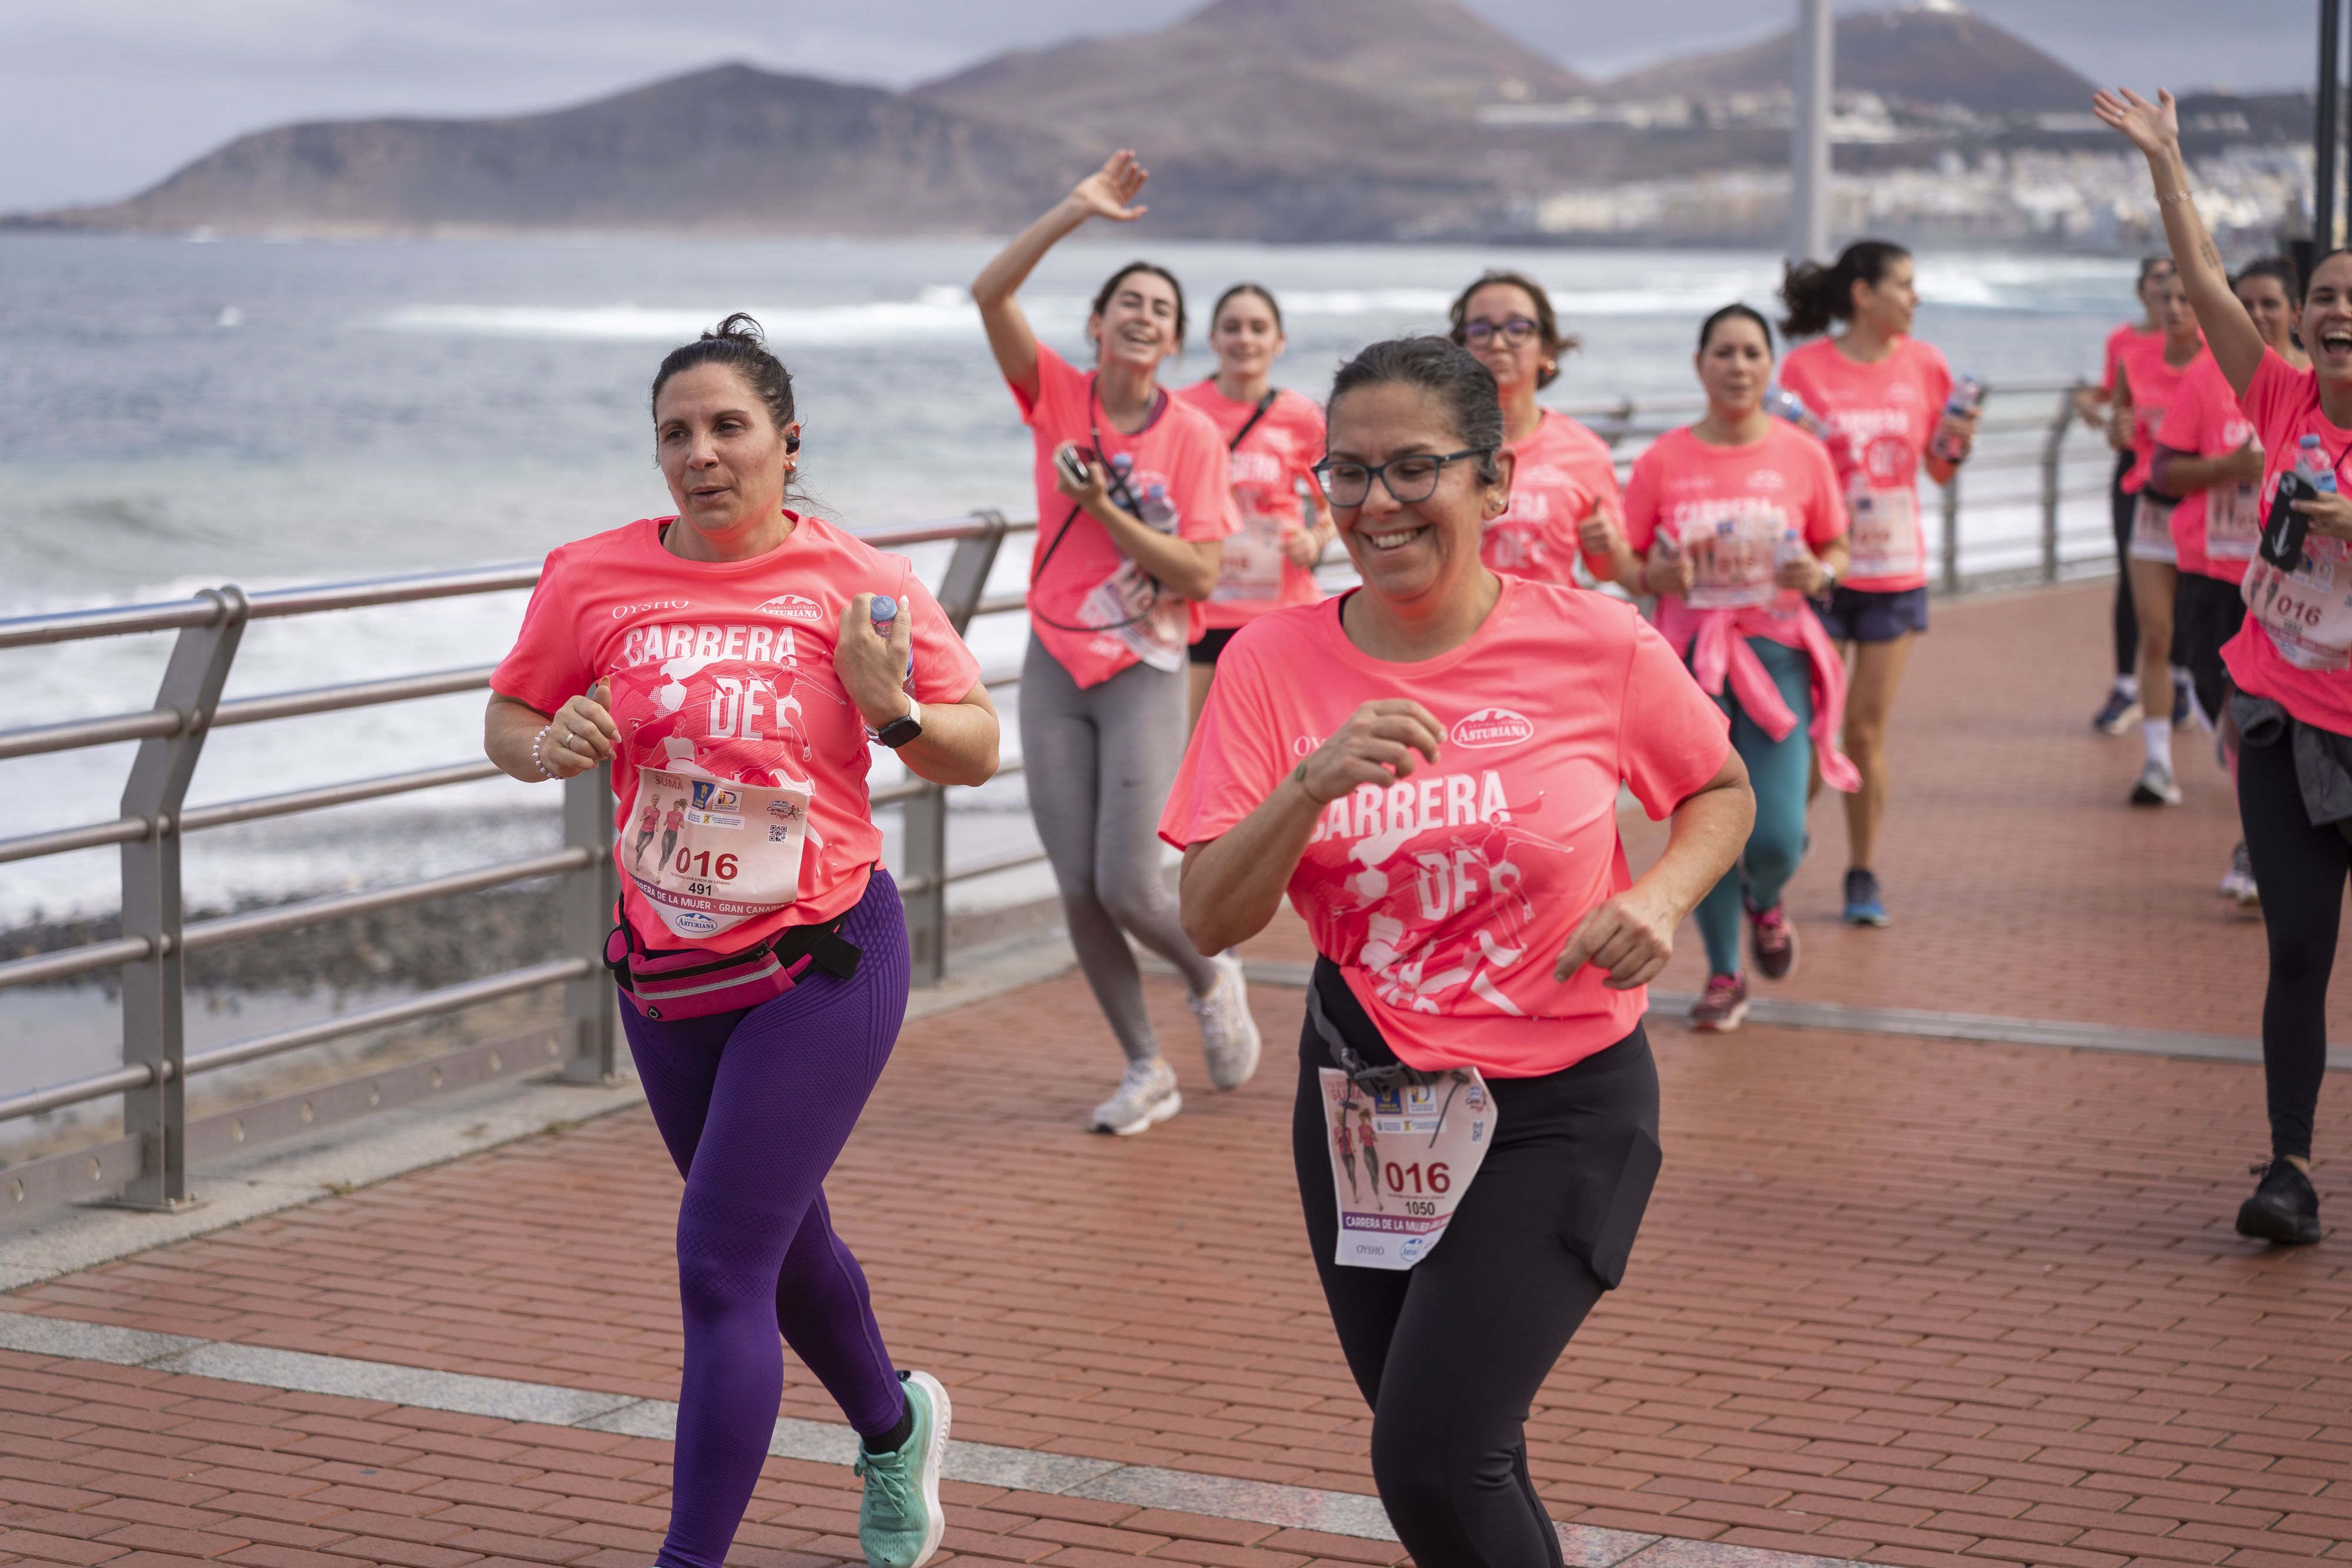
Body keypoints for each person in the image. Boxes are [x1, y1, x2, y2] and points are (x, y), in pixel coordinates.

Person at [1163, 335, 1753, 1568]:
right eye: (1349, 473)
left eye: (1413, 469)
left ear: (1494, 483)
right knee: (1450, 1455)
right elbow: (1208, 916)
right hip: (1365, 1106)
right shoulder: (1272, 660)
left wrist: (1657, 898)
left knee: (1431, 1456)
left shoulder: (1596, 642)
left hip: (1559, 1106)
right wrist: (1307, 786)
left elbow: (1717, 791)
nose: (1376, 504)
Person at [483, 315, 1002, 1567]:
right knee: (779, 1244)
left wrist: (895, 711)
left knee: (720, 1259)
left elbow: (977, 751)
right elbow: (508, 716)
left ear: (786, 441)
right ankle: (893, 1425)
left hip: (822, 961)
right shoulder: (590, 577)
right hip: (666, 974)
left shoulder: (858, 583)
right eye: (675, 432)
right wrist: (547, 744)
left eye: (728, 427)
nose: (701, 454)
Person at [2098, 85, 2350, 1244]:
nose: (2338, 309)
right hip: (2278, 719)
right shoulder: (2279, 393)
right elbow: (2199, 276)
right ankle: (2287, 1170)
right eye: (2323, 296)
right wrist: (2166, 163)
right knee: (2294, 946)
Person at [971, 149, 1261, 1135]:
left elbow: (1203, 577)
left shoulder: (1195, 439)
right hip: (1056, 659)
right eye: (1128, 303)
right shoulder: (1057, 392)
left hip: (1144, 665)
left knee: (1129, 881)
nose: (1145, 316)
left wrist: (1110, 511)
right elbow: (990, 290)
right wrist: (1077, 210)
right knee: (1077, 888)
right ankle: (1146, 1066)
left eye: (1161, 311)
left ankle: (1207, 968)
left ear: (1174, 345)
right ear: (1098, 326)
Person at [1595, 305, 1856, 1032]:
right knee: (1704, 826)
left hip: (1778, 665)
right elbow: (1629, 564)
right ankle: (1723, 972)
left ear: (1770, 367)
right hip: (1688, 669)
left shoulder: (1801, 454)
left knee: (1775, 837)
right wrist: (1659, 573)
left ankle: (1765, 899)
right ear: (1699, 365)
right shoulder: (1662, 460)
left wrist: (1817, 571)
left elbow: (1838, 548)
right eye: (1723, 353)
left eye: (1751, 353)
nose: (1737, 366)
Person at [1775, 240, 1978, 926]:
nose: (1914, 298)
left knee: (1862, 733)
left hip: (1894, 575)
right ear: (1863, 294)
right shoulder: (1804, 369)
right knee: (1810, 731)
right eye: (1905, 285)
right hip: (1821, 572)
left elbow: (1941, 469)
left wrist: (1958, 440)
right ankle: (1778, 849)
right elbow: (1782, 470)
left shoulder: (1926, 365)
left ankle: (1861, 873)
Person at [2153, 258, 2306, 905]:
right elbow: (2163, 473)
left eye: (2269, 303)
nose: (2255, 316)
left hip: (2296, 588)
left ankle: (2265, 843)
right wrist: (2226, 466)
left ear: (2296, 311)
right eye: (2242, 303)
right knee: (2238, 721)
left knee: (2281, 721)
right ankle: (2259, 826)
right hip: (2215, 577)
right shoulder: (2204, 379)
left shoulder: (2317, 383)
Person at [1178, 282, 1335, 729]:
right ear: (1213, 340)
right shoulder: (1183, 411)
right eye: (1232, 327)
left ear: (1278, 342)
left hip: (1281, 610)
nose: (1244, 338)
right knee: (1198, 755)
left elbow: (1341, 501)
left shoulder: (1304, 417)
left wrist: (1316, 537)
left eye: (1258, 328)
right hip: (1202, 610)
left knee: (1280, 751)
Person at [1445, 269, 1627, 593]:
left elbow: (1606, 570)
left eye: (1518, 329)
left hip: (1551, 632)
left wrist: (1608, 546)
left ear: (1547, 350)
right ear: (1460, 348)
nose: (1498, 343)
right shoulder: (1433, 443)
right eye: (1480, 330)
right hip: (1455, 634)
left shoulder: (1585, 451)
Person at [2113, 266, 2210, 806]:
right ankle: (2157, 763)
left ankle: (2236, 758)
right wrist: (2117, 432)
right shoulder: (2134, 360)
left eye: (2186, 298)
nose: (2174, 307)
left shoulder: (2220, 367)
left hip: (2208, 512)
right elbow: (2120, 429)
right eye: (2166, 297)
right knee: (2155, 633)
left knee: (2206, 645)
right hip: (2151, 510)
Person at [2082, 258, 2180, 734]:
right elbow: (2113, 405)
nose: (2169, 295)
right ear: (2143, 292)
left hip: (2190, 477)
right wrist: (2098, 411)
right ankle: (2126, 685)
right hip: (2136, 474)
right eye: (2158, 282)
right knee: (2131, 576)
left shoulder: (2207, 349)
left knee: (2187, 579)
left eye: (2178, 286)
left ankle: (2179, 680)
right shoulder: (2125, 345)